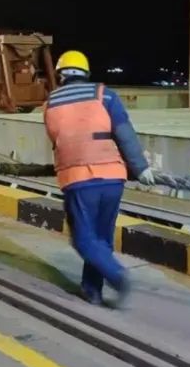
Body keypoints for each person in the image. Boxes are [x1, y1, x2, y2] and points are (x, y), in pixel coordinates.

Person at [43, 50, 155, 306]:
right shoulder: (105, 94)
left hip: (78, 179)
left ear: (61, 75)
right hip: (113, 178)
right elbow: (124, 133)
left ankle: (117, 276)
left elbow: (57, 139)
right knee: (101, 239)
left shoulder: (51, 103)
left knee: (84, 239)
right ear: (86, 73)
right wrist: (141, 168)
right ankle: (91, 290)